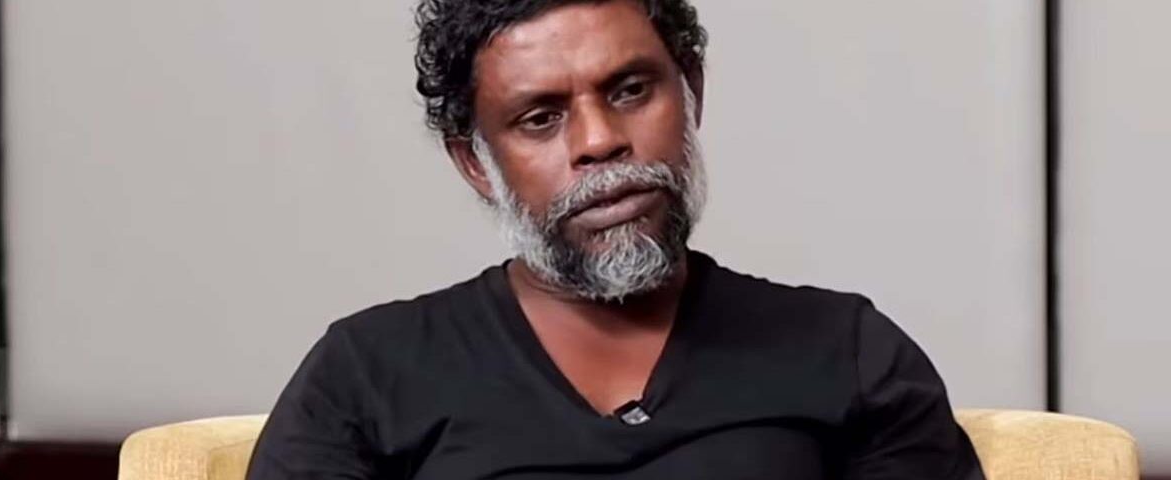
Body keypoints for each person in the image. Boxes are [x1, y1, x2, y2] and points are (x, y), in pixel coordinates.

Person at [247, 0, 984, 478]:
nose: (600, 141)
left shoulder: (847, 350)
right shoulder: (368, 372)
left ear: (691, 92)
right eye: (540, 118)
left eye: (631, 90)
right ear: (475, 162)